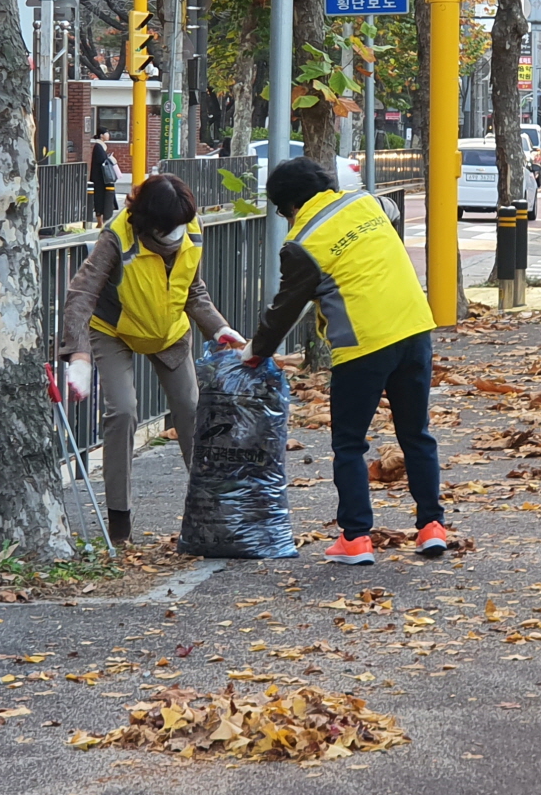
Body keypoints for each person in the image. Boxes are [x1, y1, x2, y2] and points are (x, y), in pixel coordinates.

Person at [243, 157, 448, 567]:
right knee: (416, 434)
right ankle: (432, 527)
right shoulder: (366, 203)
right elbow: (391, 209)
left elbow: (285, 309)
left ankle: (355, 538)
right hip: (414, 329)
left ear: (290, 206)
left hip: (363, 345)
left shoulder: (302, 244)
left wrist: (255, 352)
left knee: (350, 444)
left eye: (283, 212)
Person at [59, 174, 244, 544]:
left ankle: (211, 510)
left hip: (168, 332)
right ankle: (119, 522)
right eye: (167, 229)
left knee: (191, 409)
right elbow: (82, 293)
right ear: (147, 223)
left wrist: (219, 328)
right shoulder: (118, 236)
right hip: (114, 329)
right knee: (122, 411)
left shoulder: (192, 228)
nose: (175, 235)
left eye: (180, 226)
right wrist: (79, 357)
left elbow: (193, 290)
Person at [89, 130, 119, 225]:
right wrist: (109, 158)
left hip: (103, 178)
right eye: (106, 133)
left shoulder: (101, 146)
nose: (108, 135)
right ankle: (100, 221)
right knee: (99, 198)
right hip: (99, 178)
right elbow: (101, 161)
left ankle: (102, 220)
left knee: (104, 198)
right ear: (101, 135)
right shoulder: (98, 147)